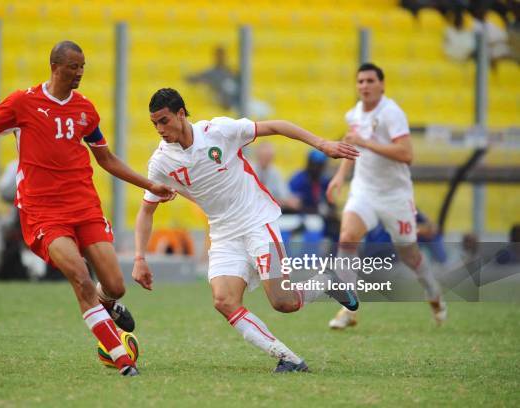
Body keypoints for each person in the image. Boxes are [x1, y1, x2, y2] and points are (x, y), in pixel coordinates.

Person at [0, 41, 175, 376]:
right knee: (80, 278)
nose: (80, 73)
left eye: (83, 66)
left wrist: (150, 185)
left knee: (115, 285)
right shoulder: (22, 103)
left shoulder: (86, 110)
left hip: (84, 205)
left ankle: (109, 307)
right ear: (56, 66)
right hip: (43, 211)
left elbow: (106, 159)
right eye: (74, 66)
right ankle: (121, 357)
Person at [132, 88, 360, 373]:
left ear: (180, 114)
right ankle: (289, 359)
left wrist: (322, 143)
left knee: (283, 302)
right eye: (154, 124)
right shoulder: (161, 162)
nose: (159, 130)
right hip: (224, 234)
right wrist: (140, 257)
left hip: (257, 222)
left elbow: (276, 126)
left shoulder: (219, 131)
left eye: (163, 121)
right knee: (223, 300)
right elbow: (146, 211)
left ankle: (327, 280)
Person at [325, 62, 447, 330]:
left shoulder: (392, 114)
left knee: (410, 255)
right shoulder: (353, 114)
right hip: (364, 191)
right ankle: (348, 308)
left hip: (395, 197)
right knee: (347, 238)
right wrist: (340, 176)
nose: (364, 86)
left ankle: (432, 292)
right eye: (360, 82)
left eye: (370, 81)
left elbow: (406, 155)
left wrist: (366, 142)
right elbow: (352, 147)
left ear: (382, 84)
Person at [253, 142, 300, 212]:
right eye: (263, 156)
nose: (265, 159)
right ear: (257, 156)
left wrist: (289, 200)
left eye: (268, 156)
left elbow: (284, 194)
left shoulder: (275, 172)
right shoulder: (250, 170)